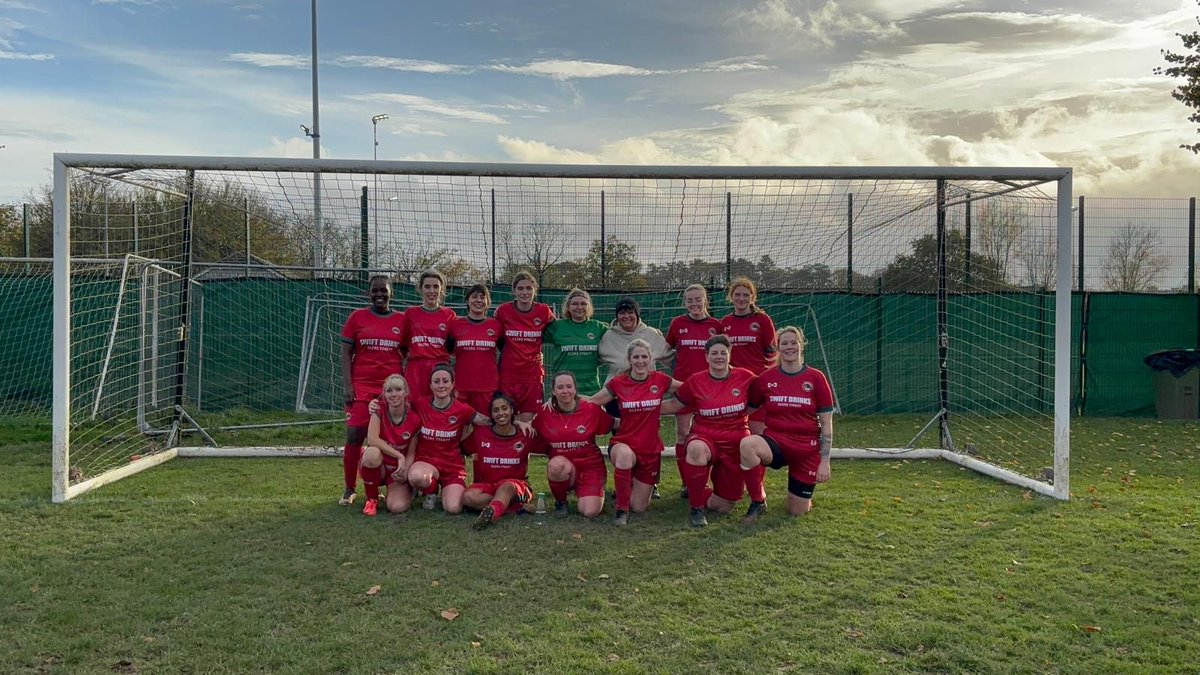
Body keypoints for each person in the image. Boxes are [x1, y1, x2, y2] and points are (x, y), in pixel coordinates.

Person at [739, 326, 835, 522]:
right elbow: (747, 410)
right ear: (778, 347)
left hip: (806, 450)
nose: (789, 347)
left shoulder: (816, 378)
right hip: (777, 443)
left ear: (801, 346)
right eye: (784, 343)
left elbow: (826, 424)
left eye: (794, 343)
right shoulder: (766, 378)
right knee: (747, 445)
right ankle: (758, 501)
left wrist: (824, 462)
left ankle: (801, 496)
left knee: (796, 512)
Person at [661, 334, 758, 528]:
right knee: (696, 449)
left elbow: (764, 398)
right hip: (705, 437)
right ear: (706, 357)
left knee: (724, 505)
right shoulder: (696, 381)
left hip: (735, 444)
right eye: (714, 353)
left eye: (723, 352)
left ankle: (698, 490)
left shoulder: (746, 377)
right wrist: (638, 407)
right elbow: (674, 404)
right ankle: (696, 508)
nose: (719, 356)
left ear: (730, 355)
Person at [588, 339, 681, 526]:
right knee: (624, 457)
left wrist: (716, 385)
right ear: (629, 360)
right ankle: (621, 510)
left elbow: (690, 388)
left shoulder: (661, 380)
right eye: (636, 357)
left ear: (650, 359)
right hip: (624, 442)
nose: (640, 361)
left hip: (650, 447)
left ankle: (627, 488)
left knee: (639, 507)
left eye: (644, 357)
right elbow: (592, 402)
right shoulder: (619, 382)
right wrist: (559, 401)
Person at [337, 274, 406, 506]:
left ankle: (377, 490)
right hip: (361, 388)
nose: (379, 295)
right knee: (355, 435)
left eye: (383, 291)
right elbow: (346, 353)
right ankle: (349, 488)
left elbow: (407, 353)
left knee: (383, 441)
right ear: (368, 293)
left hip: (390, 391)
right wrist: (348, 385)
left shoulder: (401, 320)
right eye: (375, 291)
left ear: (391, 293)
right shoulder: (357, 318)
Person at [665, 284, 723, 499]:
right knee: (682, 434)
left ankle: (705, 480)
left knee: (708, 434)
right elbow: (666, 349)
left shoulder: (716, 326)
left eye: (698, 299)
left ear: (705, 300)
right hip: (683, 389)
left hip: (710, 390)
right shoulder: (677, 324)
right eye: (690, 300)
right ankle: (687, 483)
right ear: (684, 303)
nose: (694, 304)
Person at [532, 371, 613, 519]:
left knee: (589, 512)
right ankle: (561, 502)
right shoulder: (544, 413)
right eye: (560, 387)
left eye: (569, 386)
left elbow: (612, 425)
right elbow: (530, 432)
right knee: (556, 465)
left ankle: (588, 490)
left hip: (591, 468)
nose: (565, 391)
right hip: (564, 467)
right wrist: (519, 423)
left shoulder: (590, 409)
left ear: (575, 389)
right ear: (554, 391)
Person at [406, 364, 477, 515]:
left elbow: (487, 420)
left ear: (452, 384)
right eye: (436, 381)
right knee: (417, 476)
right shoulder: (420, 404)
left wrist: (515, 422)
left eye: (445, 381)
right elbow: (396, 405)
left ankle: (447, 489)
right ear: (430, 385)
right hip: (426, 462)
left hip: (452, 467)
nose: (441, 385)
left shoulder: (463, 409)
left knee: (453, 508)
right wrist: (376, 406)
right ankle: (431, 492)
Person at [462, 393, 535, 530]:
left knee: (506, 487)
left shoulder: (525, 434)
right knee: (468, 497)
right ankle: (512, 507)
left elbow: (549, 446)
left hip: (515, 485)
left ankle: (492, 513)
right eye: (496, 410)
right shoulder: (480, 434)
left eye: (504, 408)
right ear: (491, 415)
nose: (501, 413)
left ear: (512, 410)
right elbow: (461, 449)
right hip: (486, 485)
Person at [494, 271, 555, 422]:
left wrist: (539, 351)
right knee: (507, 421)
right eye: (520, 288)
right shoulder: (503, 311)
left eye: (529, 288)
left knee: (529, 423)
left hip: (532, 376)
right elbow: (494, 335)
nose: (525, 292)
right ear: (514, 290)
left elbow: (555, 330)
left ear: (535, 290)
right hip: (508, 376)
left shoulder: (543, 311)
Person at [721, 277, 776, 440]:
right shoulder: (725, 322)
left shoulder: (762, 320)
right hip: (733, 382)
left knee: (757, 429)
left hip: (756, 381)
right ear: (731, 297)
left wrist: (769, 380)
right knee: (734, 427)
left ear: (752, 297)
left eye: (746, 295)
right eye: (737, 294)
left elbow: (772, 352)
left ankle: (757, 465)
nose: (741, 299)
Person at [360, 374, 420, 517]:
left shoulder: (414, 419)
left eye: (398, 389)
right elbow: (372, 439)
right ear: (384, 394)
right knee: (371, 454)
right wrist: (399, 455)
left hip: (396, 470)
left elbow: (411, 452)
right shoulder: (378, 409)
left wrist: (404, 473)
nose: (394, 394)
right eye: (389, 390)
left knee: (397, 507)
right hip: (379, 465)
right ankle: (371, 499)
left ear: (406, 392)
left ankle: (401, 491)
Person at [401, 269, 456, 401]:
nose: (431, 291)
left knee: (439, 408)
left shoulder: (449, 315)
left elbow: (452, 346)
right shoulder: (411, 313)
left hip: (439, 368)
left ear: (441, 289)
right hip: (416, 369)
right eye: (427, 286)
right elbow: (403, 344)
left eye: (436, 286)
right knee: (413, 406)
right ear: (420, 289)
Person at [448, 283, 503, 416]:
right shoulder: (455, 324)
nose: (478, 300)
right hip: (462, 386)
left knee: (484, 425)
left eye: (482, 297)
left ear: (488, 302)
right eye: (474, 296)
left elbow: (508, 351)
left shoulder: (496, 325)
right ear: (467, 300)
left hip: (487, 387)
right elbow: (446, 350)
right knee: (461, 425)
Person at [544, 288, 608, 397]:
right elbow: (533, 340)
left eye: (583, 304)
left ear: (589, 307)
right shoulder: (557, 326)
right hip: (563, 392)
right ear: (568, 307)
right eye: (575, 304)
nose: (579, 307)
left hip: (591, 391)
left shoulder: (598, 327)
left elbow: (618, 338)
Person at [597, 297, 673, 384]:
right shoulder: (608, 336)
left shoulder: (652, 334)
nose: (626, 316)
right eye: (622, 313)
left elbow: (673, 360)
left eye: (630, 312)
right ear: (617, 316)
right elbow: (592, 359)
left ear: (637, 314)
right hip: (617, 391)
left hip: (646, 390)